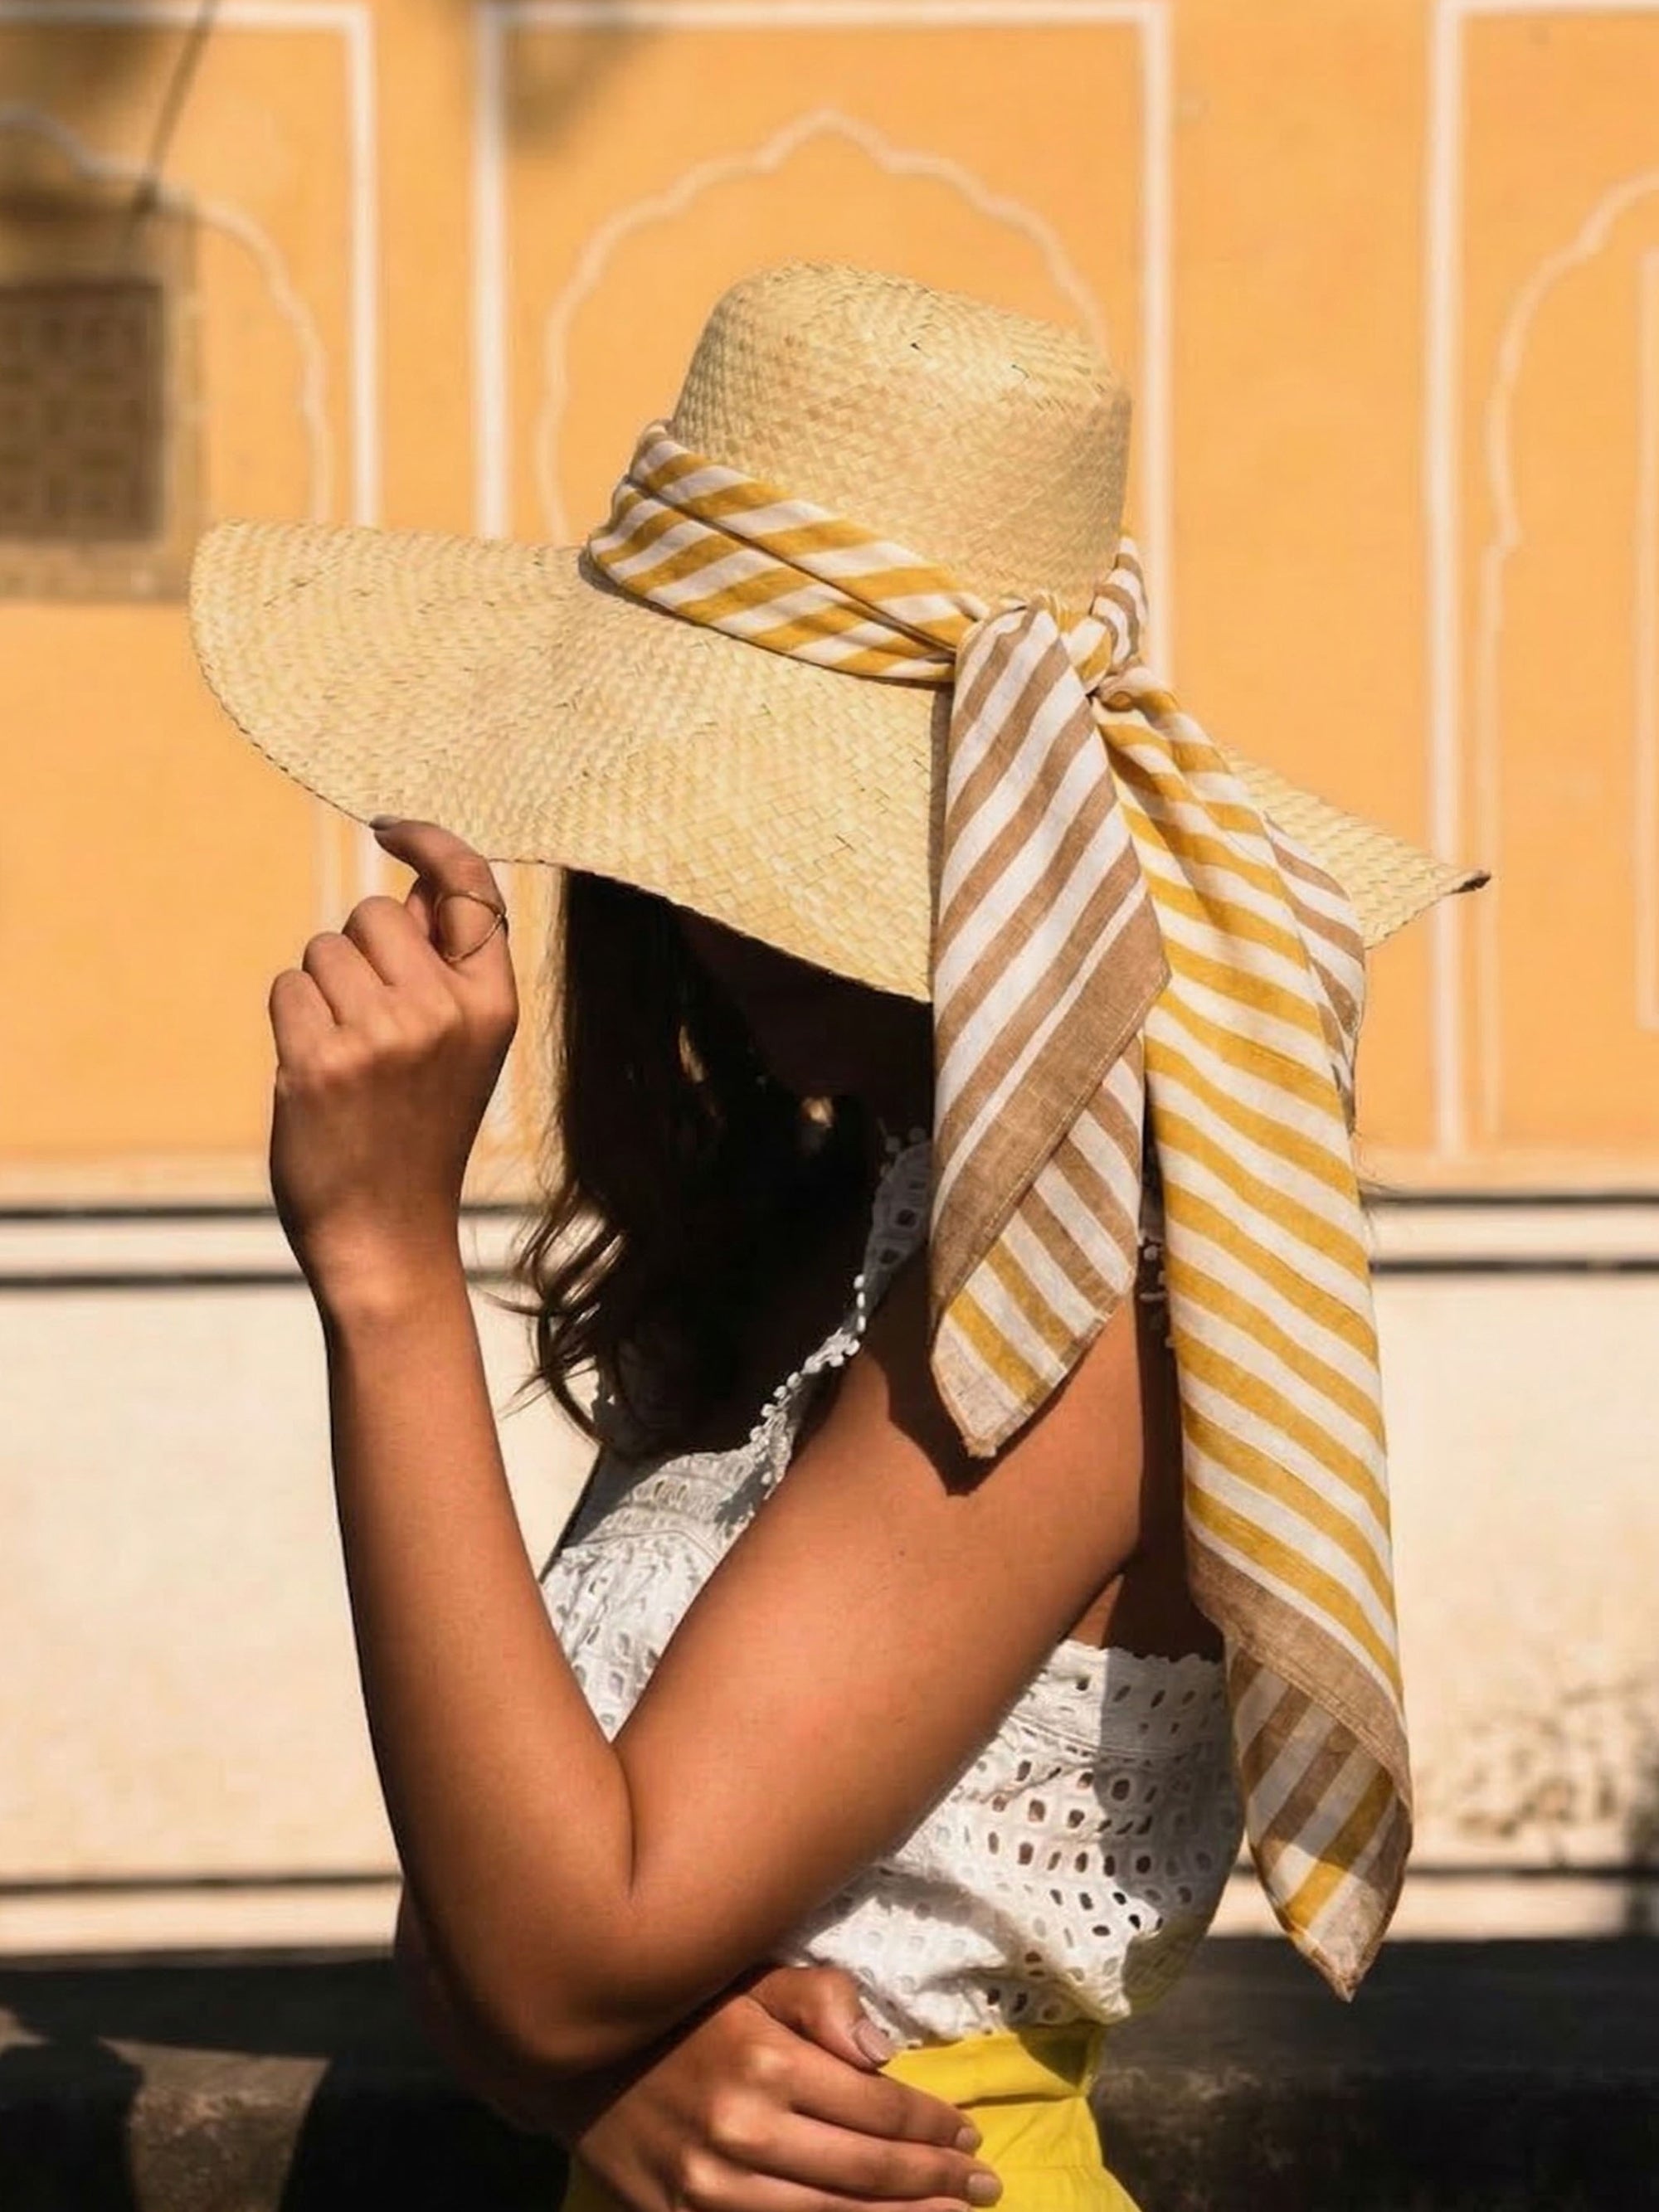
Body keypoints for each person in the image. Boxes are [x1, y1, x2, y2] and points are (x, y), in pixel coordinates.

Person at [187, 261, 1486, 2210]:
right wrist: (595, 2086)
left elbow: (558, 1942)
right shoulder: (817, 1221)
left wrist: (386, 1270)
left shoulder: (1070, 1305)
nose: (719, 906)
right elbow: (489, 1899)